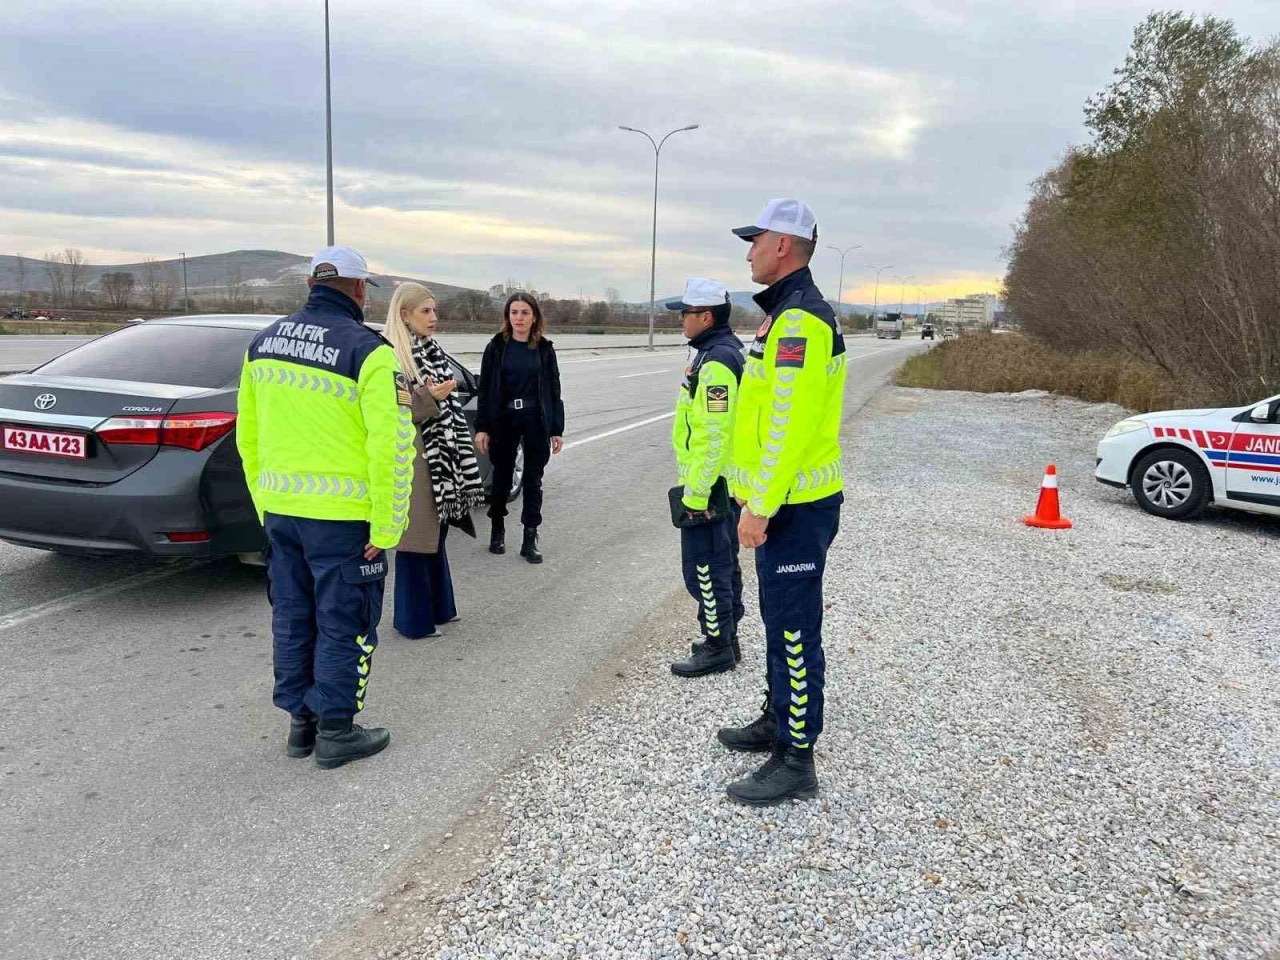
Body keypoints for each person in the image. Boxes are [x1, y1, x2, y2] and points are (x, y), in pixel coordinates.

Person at [236, 245, 412, 770]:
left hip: (282, 514)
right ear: (359, 290)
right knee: (345, 621)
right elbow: (393, 447)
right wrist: (388, 524)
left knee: (293, 616)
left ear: (313, 284)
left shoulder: (261, 345)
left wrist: (265, 508)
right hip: (342, 520)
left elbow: (248, 436)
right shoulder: (370, 352)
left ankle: (300, 726)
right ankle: (336, 731)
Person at [718, 199, 847, 805]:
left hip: (793, 507)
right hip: (784, 504)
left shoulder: (799, 322)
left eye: (755, 240)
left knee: (794, 629)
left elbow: (787, 427)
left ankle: (797, 759)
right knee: (779, 620)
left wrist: (759, 506)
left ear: (783, 247)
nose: (747, 251)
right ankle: (778, 717)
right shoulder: (783, 316)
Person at [383, 283, 486, 639]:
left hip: (440, 460)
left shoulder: (430, 350)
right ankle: (413, 621)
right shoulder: (392, 356)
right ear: (403, 315)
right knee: (416, 541)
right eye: (425, 311)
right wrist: (430, 396)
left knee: (436, 535)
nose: (434, 318)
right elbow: (392, 413)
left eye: (434, 311)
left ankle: (441, 608)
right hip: (413, 462)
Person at [664, 278, 747, 678]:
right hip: (715, 483)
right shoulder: (712, 354)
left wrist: (696, 494)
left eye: (686, 313)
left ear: (706, 316)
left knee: (705, 567)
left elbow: (715, 434)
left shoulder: (716, 362)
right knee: (721, 562)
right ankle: (725, 638)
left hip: (710, 487)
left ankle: (718, 646)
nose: (682, 320)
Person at [474, 293, 564, 564]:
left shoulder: (545, 349)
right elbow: (486, 389)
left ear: (534, 316)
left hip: (536, 420)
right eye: (514, 312)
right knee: (501, 477)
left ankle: (529, 537)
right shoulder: (497, 347)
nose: (519, 318)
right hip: (504, 419)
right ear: (508, 316)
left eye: (525, 312)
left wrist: (556, 428)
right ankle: (497, 529)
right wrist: (483, 427)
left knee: (533, 480)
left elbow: (553, 390)